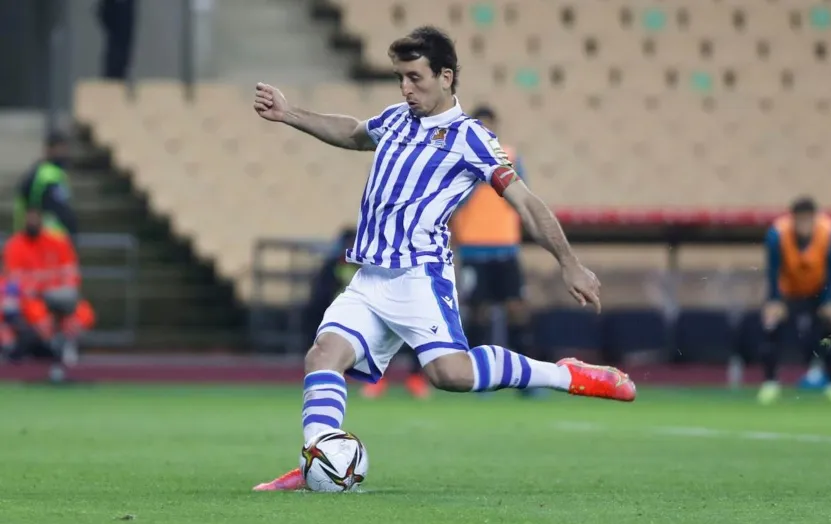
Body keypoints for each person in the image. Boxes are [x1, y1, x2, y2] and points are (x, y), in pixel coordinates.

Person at [251, 26, 636, 492]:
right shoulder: (396, 118)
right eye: (400, 78)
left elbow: (526, 203)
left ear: (446, 76)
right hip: (371, 275)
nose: (406, 88)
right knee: (323, 357)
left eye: (415, 77)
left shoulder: (471, 139)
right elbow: (354, 133)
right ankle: (317, 458)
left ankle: (565, 374)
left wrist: (568, 261)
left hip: (420, 277)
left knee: (450, 374)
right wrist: (290, 113)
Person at [452, 105, 546, 399]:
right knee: (478, 312)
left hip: (506, 246)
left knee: (517, 309)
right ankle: (479, 378)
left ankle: (525, 380)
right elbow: (451, 202)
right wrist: (475, 181)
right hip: (473, 248)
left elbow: (523, 196)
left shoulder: (510, 158)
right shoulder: (460, 160)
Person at [303, 227, 431, 399]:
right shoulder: (332, 267)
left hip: (378, 312)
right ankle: (370, 380)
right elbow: (320, 297)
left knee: (410, 331)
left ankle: (414, 378)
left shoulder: (376, 264)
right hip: (344, 314)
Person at [758, 197, 831, 405]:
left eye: (808, 220)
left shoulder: (830, 232)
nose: (804, 225)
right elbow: (773, 269)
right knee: (771, 323)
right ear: (792, 218)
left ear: (815, 218)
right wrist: (774, 300)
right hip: (789, 292)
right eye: (800, 220)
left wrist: (830, 300)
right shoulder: (777, 233)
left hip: (818, 291)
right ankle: (771, 382)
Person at [3, 209, 96, 368]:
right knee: (38, 314)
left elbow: (71, 274)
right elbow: (17, 279)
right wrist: (49, 277)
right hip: (32, 297)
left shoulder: (57, 242)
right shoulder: (15, 245)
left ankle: (67, 344)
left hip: (59, 295)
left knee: (84, 313)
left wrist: (40, 277)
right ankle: (52, 346)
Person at [14, 131, 78, 243]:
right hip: (45, 239)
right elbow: (28, 205)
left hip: (59, 239)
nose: (65, 153)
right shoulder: (41, 175)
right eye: (61, 148)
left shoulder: (58, 173)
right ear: (49, 149)